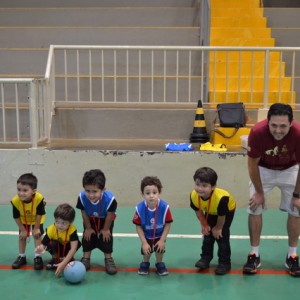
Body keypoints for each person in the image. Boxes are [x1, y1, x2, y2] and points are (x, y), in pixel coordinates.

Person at [242, 103, 300, 277]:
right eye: (274, 125)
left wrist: (297, 195)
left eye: (283, 126)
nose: (278, 130)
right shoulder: (258, 132)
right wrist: (259, 193)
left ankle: (292, 255)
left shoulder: (298, 134)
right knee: (254, 207)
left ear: (291, 123)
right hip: (263, 169)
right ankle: (254, 254)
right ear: (267, 122)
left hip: (290, 169)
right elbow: (252, 164)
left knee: (297, 210)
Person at [190, 167, 236, 275]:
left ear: (213, 187)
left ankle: (225, 263)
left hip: (226, 212)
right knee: (207, 235)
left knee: (221, 236)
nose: (200, 189)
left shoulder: (221, 198)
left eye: (204, 186)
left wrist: (218, 228)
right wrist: (204, 224)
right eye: (197, 184)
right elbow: (198, 211)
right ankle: (205, 258)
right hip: (210, 210)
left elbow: (221, 216)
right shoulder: (194, 195)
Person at [76, 169, 118, 275]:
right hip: (90, 220)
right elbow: (84, 213)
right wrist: (88, 228)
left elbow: (110, 215)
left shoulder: (110, 199)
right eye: (87, 191)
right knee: (87, 238)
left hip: (105, 221)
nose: (90, 195)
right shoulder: (81, 197)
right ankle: (86, 258)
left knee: (106, 238)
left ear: (103, 190)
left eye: (95, 191)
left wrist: (105, 229)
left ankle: (108, 259)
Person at [132, 176, 173, 276]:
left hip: (159, 235)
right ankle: (145, 262)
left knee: (160, 249)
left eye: (154, 192)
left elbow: (168, 224)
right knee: (147, 250)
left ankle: (159, 263)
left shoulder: (165, 207)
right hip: (147, 235)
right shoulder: (139, 208)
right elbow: (138, 226)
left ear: (159, 193)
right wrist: (144, 242)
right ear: (142, 194)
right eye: (147, 193)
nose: (151, 196)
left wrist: (162, 240)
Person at [11, 173, 46, 270]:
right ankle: (22, 256)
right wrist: (22, 230)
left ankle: (37, 256)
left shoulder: (39, 198)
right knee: (22, 237)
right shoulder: (15, 200)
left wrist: (36, 228)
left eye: (25, 190)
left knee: (37, 235)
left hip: (37, 219)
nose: (21, 193)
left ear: (33, 191)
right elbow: (16, 216)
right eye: (19, 189)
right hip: (23, 219)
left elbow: (40, 213)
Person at [35, 203, 81, 276]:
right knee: (51, 243)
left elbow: (73, 249)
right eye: (57, 222)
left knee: (77, 243)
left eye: (63, 223)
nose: (60, 225)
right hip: (56, 248)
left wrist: (64, 263)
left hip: (67, 248)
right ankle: (54, 259)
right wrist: (40, 248)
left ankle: (69, 258)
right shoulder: (51, 229)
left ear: (70, 222)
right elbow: (43, 243)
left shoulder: (72, 231)